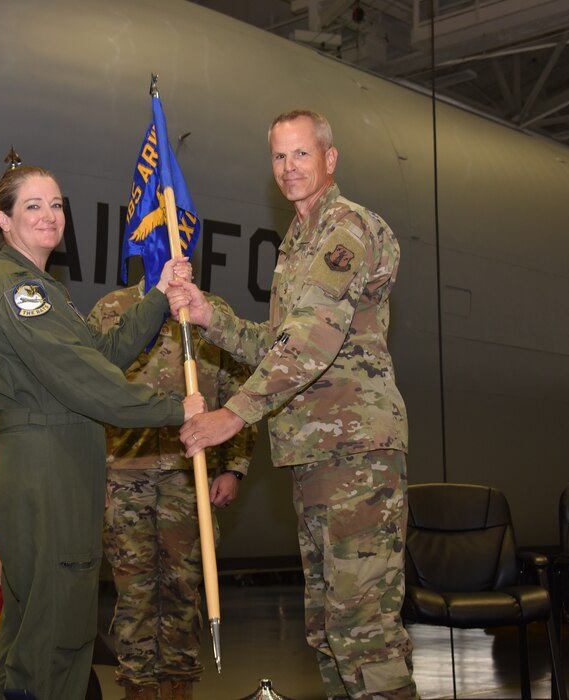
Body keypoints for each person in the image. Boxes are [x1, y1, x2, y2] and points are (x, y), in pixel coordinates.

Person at [175, 110, 418, 699]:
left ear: (329, 159)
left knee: (365, 636)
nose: (289, 168)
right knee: (330, 632)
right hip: (316, 457)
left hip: (355, 456)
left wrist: (230, 415)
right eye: (279, 157)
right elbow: (279, 342)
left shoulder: (345, 228)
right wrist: (212, 317)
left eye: (301, 154)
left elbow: (314, 341)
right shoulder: (298, 243)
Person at [0, 161, 204, 700]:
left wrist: (156, 295)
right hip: (45, 469)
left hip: (55, 466)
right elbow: (89, 383)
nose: (50, 217)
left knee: (28, 632)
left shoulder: (41, 288)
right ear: (3, 220)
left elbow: (99, 356)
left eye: (56, 205)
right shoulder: (20, 294)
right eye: (33, 206)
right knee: (57, 634)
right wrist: (180, 409)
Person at [88, 282, 256, 700]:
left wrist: (233, 468)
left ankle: (178, 689)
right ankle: (138, 691)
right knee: (135, 594)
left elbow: (238, 393)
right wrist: (92, 476)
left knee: (183, 590)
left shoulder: (209, 311)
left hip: (189, 473)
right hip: (124, 474)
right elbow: (85, 391)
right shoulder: (112, 309)